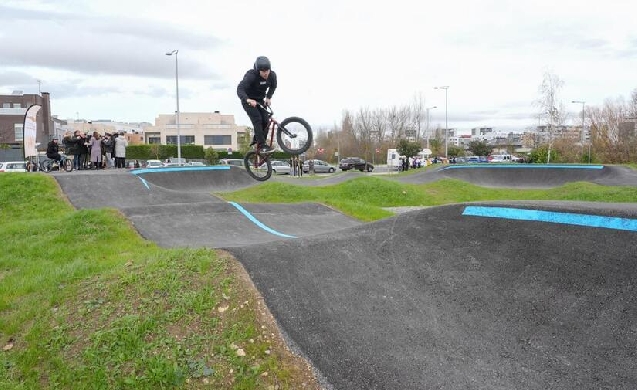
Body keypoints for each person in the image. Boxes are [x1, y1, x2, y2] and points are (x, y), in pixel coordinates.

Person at [237, 56, 277, 154]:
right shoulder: (251, 76)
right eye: (263, 72)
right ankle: (262, 145)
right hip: (248, 101)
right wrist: (248, 99)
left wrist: (268, 97)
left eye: (267, 71)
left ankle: (257, 140)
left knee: (266, 121)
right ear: (258, 70)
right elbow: (240, 89)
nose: (266, 73)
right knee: (257, 119)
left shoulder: (272, 75)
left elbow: (273, 86)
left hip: (260, 100)